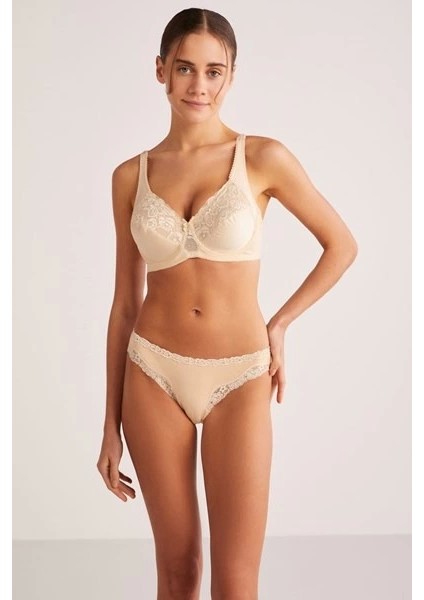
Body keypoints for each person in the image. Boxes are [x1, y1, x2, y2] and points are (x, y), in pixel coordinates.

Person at [96, 7, 358, 599]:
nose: (199, 85)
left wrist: (280, 324)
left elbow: (341, 245)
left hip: (240, 373)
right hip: (151, 372)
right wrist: (109, 425)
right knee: (177, 571)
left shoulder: (262, 157)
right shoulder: (130, 176)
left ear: (231, 76)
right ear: (160, 70)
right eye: (185, 68)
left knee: (236, 583)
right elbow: (124, 304)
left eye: (214, 71)